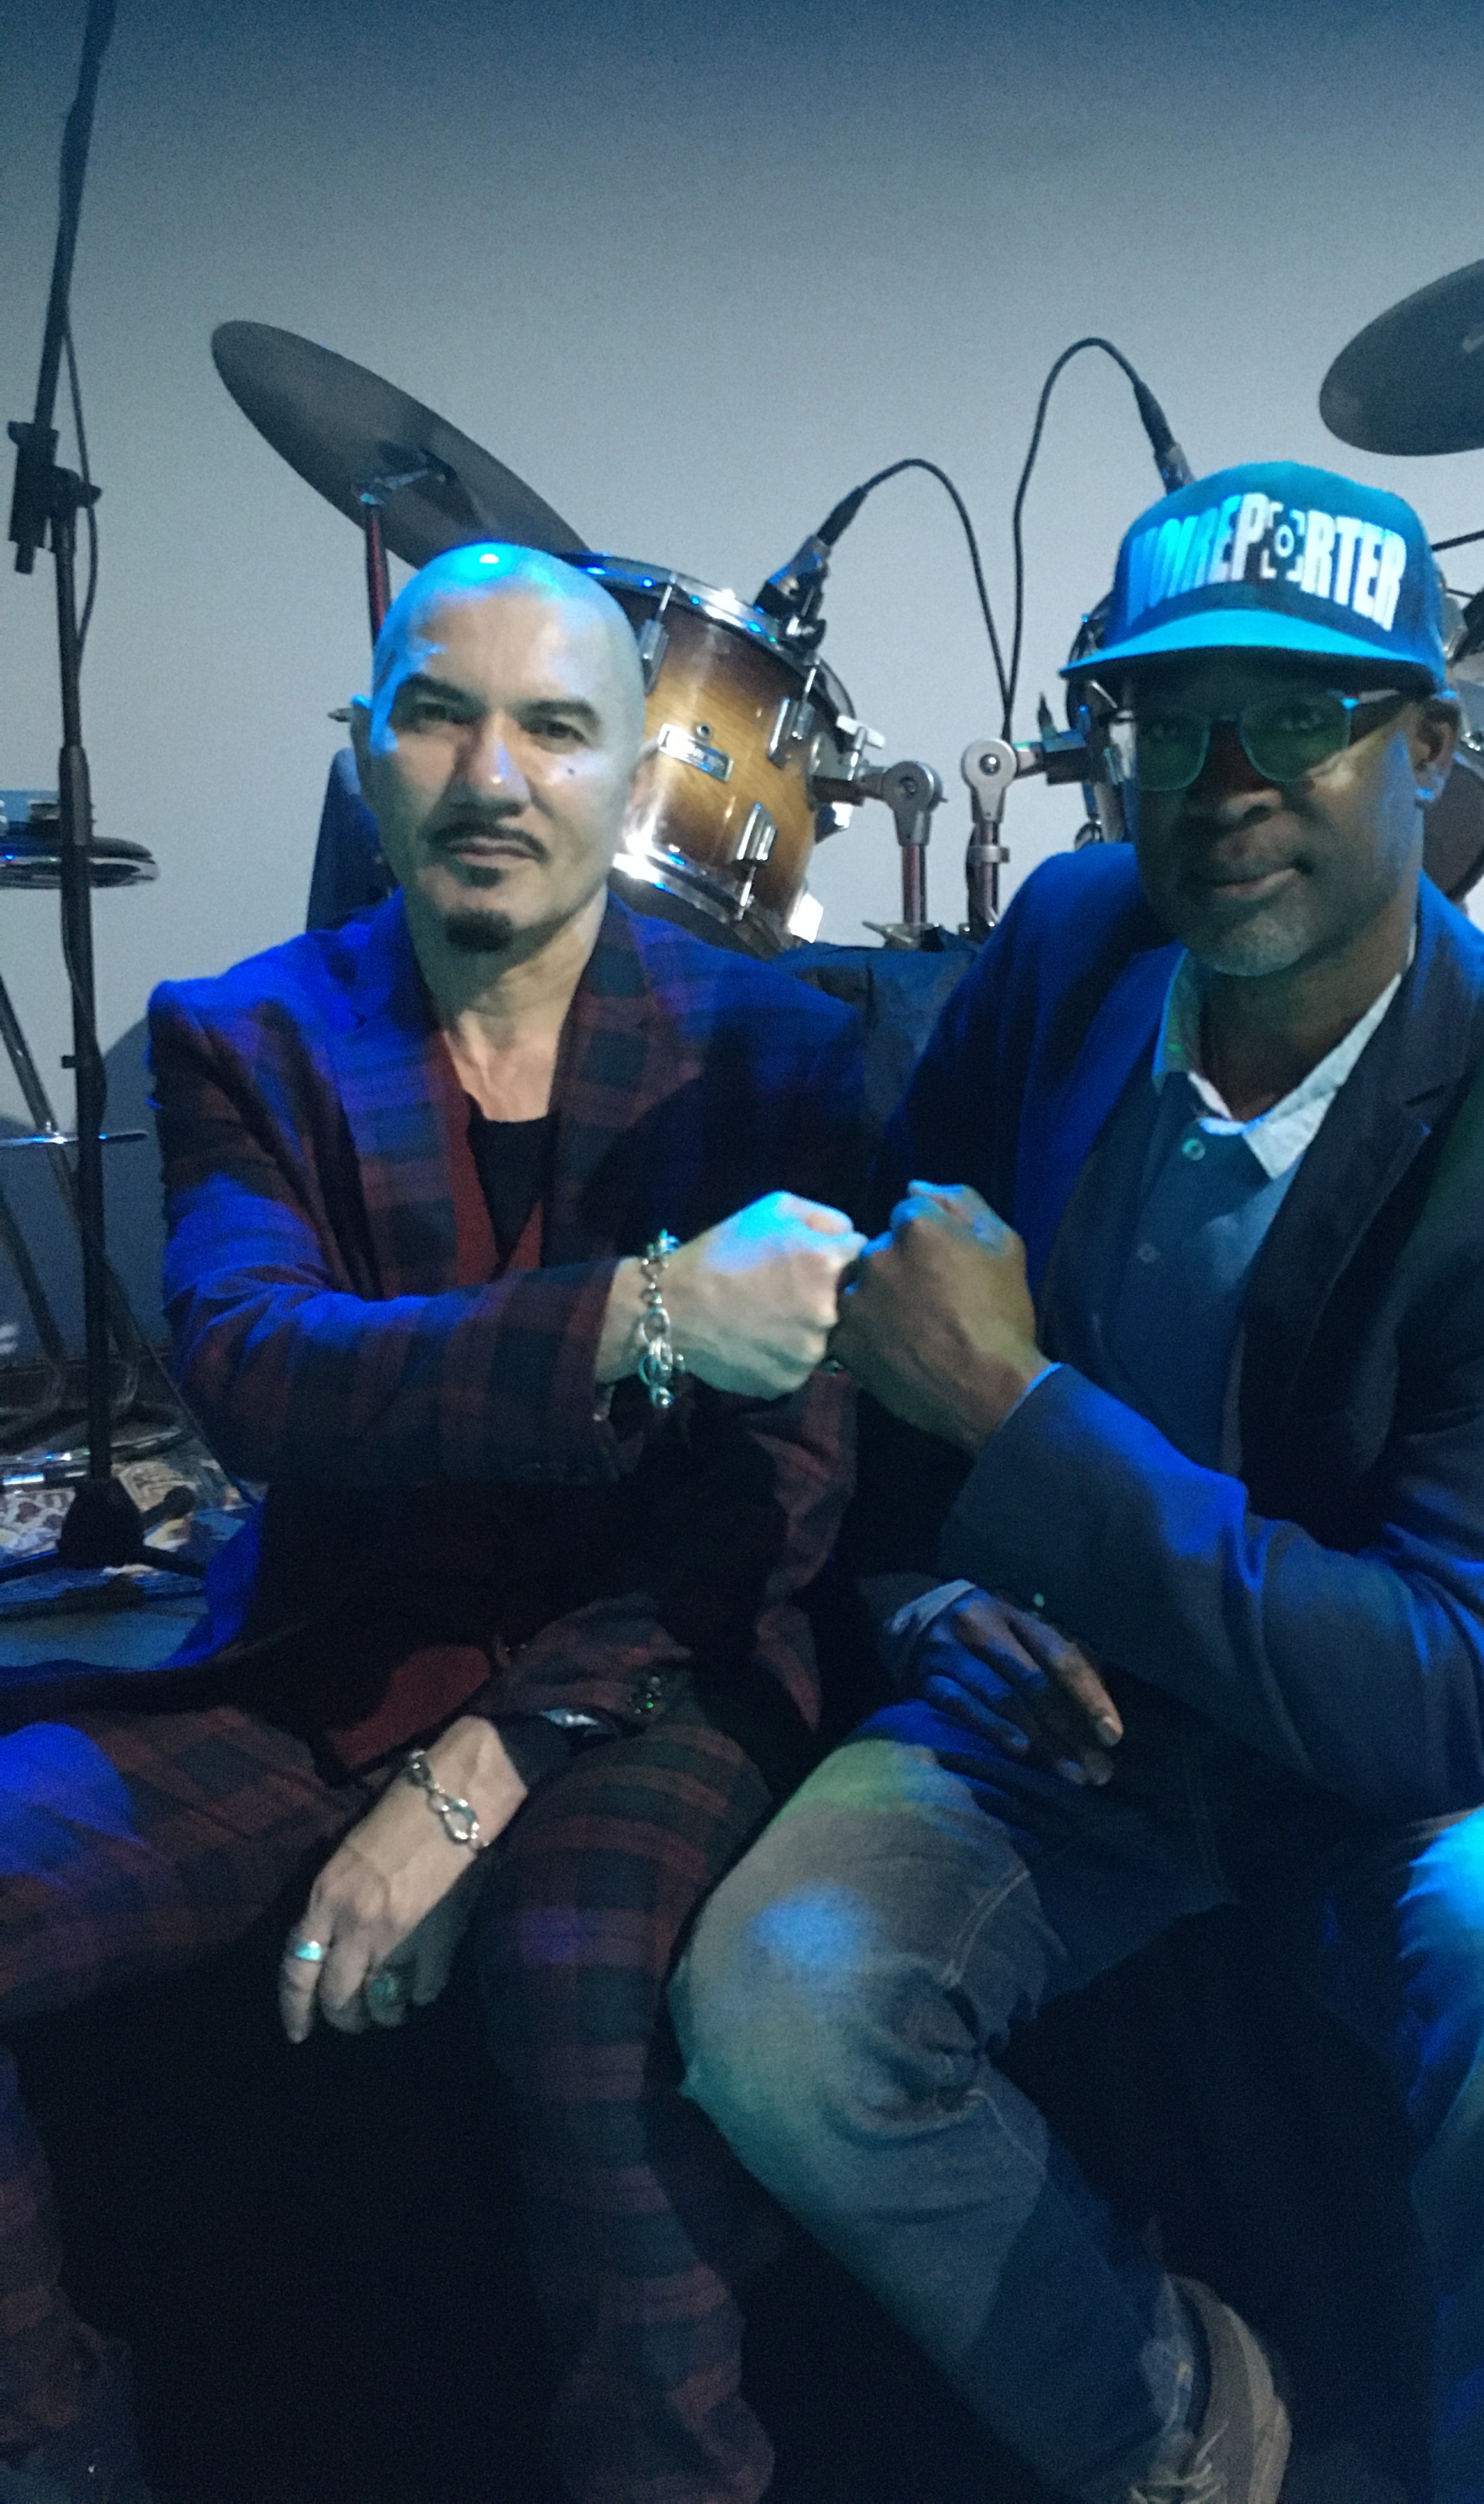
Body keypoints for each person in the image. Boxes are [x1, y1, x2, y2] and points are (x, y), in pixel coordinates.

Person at [671, 461, 1484, 2504]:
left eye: (1300, 716)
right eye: (1171, 722)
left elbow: (1460, 1695)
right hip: (1075, 1711)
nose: (1226, 782)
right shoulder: (1075, 938)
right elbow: (898, 1340)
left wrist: (1027, 1420)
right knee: (779, 2007)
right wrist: (938, 1593)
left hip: (1397, 1740)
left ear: (1430, 749)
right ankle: (1194, 2437)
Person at [0, 545, 869, 2504]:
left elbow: (778, 1502)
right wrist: (641, 1317)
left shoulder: (778, 1050)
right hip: (333, 1655)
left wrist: (490, 1771)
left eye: (554, 728)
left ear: (633, 765)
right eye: (437, 717)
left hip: (648, 1670)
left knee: (583, 1979)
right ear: (364, 753)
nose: (492, 775)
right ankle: (61, 2455)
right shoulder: (247, 1035)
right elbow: (256, 1369)